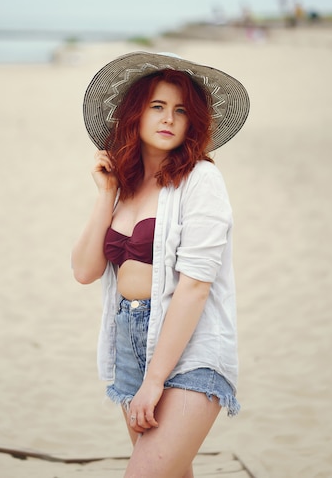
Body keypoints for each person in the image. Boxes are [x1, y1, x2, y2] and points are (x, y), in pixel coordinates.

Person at [71, 51, 250, 478]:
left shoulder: (201, 180)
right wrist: (105, 193)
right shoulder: (127, 185)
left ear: (193, 122)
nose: (169, 118)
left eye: (181, 110)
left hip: (190, 349)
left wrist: (155, 380)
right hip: (129, 343)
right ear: (135, 114)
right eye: (157, 107)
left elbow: (195, 286)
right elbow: (84, 270)